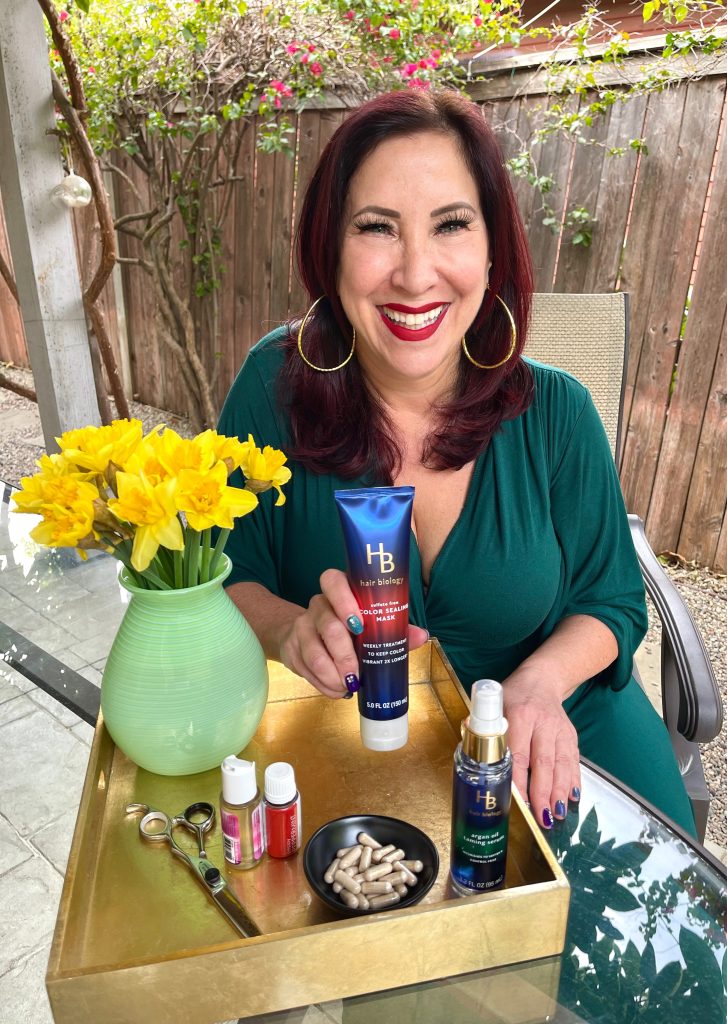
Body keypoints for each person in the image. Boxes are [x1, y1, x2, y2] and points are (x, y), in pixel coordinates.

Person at [218, 89, 696, 835]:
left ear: (492, 247)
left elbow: (613, 602)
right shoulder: (271, 391)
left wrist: (538, 684)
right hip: (355, 750)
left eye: (451, 225)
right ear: (329, 246)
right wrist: (288, 631)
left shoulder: (558, 412)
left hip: (561, 736)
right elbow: (226, 577)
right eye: (377, 227)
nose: (415, 274)